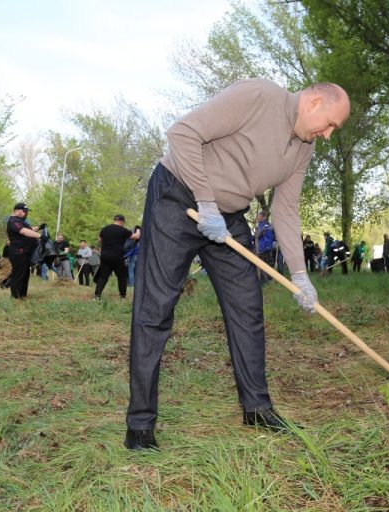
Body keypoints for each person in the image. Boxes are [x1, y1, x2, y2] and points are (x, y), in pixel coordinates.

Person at [125, 79, 350, 450]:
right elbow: (182, 133)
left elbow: (286, 209)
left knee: (247, 306)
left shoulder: (303, 149)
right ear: (313, 101)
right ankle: (140, 424)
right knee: (156, 307)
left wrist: (299, 275)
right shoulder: (259, 96)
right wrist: (205, 201)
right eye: (329, 124)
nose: (326, 135)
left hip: (227, 217)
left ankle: (257, 408)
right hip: (177, 197)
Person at [94, 214, 141, 300]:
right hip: (117, 257)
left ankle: (97, 296)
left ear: (114, 220)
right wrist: (138, 229)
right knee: (122, 277)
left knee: (103, 277)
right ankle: (122, 296)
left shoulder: (105, 229)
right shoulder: (123, 230)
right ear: (122, 222)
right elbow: (136, 237)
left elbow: (99, 240)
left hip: (105, 256)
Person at [5, 203, 42, 299]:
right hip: (18, 252)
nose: (26, 213)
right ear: (18, 211)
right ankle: (16, 296)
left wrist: (38, 228)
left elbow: (28, 229)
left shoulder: (20, 221)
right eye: (25, 212)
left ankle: (22, 295)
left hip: (25, 252)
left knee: (25, 275)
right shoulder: (13, 221)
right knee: (19, 275)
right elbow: (23, 231)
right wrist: (41, 236)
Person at [255, 211, 275, 281]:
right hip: (262, 247)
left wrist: (256, 234)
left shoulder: (265, 225)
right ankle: (265, 279)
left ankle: (266, 279)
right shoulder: (261, 224)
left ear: (262, 217)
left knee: (264, 264)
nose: (257, 217)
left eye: (258, 216)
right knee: (263, 264)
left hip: (265, 248)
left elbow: (258, 235)